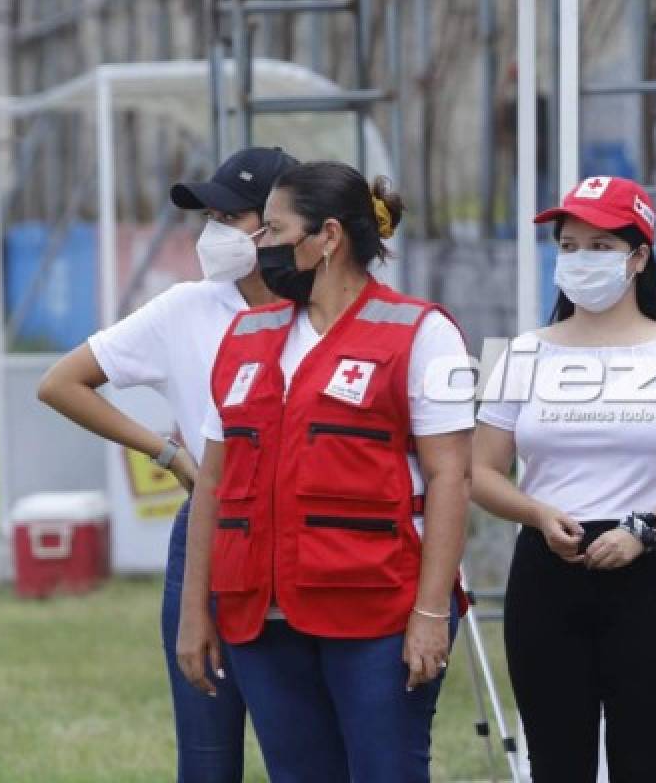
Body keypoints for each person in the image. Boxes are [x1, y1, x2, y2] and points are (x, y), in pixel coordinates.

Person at [176, 162, 473, 782]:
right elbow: (213, 480)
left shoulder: (422, 332)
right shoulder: (246, 333)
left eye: (274, 231)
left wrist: (430, 613)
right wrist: (194, 610)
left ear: (328, 237)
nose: (261, 249)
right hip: (262, 620)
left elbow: (452, 479)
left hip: (378, 617)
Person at [37, 146, 298, 782]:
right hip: (211, 530)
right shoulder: (186, 307)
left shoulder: (318, 310)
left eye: (230, 217)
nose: (213, 233)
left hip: (300, 537)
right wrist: (171, 454)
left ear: (281, 222)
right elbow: (60, 383)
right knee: (207, 757)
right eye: (208, 216)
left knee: (304, 751)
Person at [471, 176, 656, 782]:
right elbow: (480, 472)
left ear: (638, 257)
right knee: (557, 765)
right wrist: (536, 513)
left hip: (653, 575)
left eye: (599, 246)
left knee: (643, 763)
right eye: (568, 246)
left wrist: (645, 530)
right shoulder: (518, 353)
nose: (579, 260)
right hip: (547, 573)